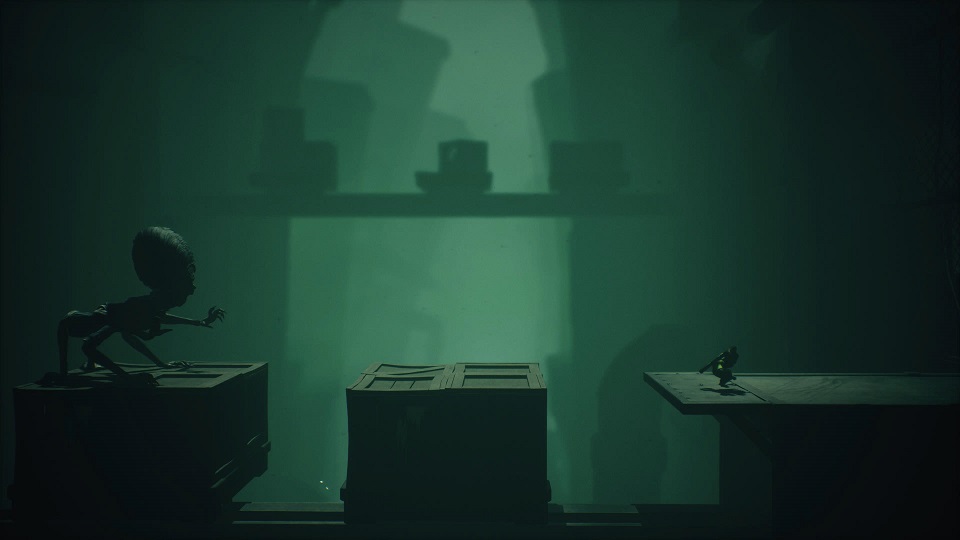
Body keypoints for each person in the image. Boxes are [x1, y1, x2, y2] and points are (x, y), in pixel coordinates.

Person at [55, 226, 225, 385]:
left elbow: (141, 328)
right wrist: (128, 379)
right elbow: (88, 346)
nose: (193, 289)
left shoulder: (147, 309)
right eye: (188, 282)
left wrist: (199, 323)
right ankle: (77, 370)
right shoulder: (130, 312)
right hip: (73, 323)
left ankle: (87, 366)